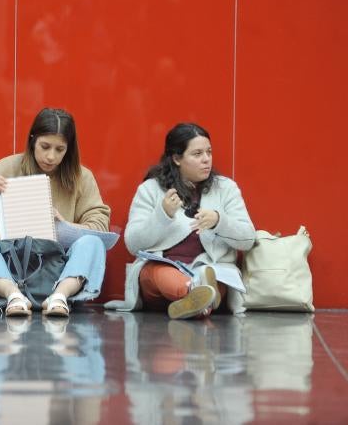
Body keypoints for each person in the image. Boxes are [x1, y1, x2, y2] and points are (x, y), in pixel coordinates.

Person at [0, 108, 110, 317]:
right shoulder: (8, 167)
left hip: (58, 270)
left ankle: (59, 297)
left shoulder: (82, 176)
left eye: (60, 149)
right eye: (45, 146)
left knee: (93, 244)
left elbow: (100, 224)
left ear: (69, 149)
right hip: (10, 270)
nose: (50, 156)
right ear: (32, 140)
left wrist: (65, 225)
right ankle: (14, 296)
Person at [105, 123, 255, 319]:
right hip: (163, 275)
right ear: (176, 158)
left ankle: (197, 300)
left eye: (209, 152)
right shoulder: (151, 189)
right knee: (159, 273)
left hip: (211, 269)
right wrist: (163, 215)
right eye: (197, 154)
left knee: (214, 277)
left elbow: (248, 239)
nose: (206, 160)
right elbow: (133, 244)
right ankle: (197, 295)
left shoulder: (226, 188)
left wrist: (219, 221)